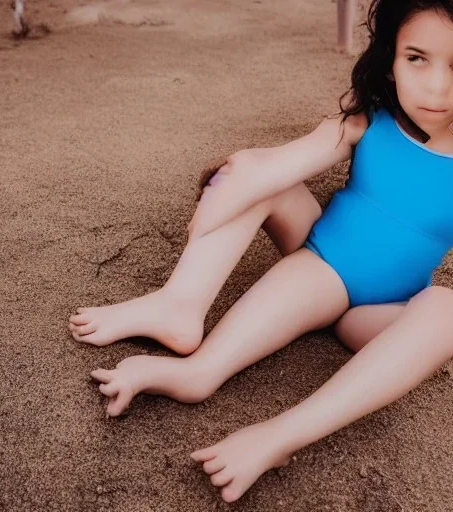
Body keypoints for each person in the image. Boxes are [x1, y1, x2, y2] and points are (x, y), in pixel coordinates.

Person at [68, 0, 453, 503]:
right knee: (256, 172)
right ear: (391, 57)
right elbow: (270, 169)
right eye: (417, 59)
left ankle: (278, 436)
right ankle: (181, 308)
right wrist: (218, 202)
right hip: (321, 262)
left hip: (383, 313)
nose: (437, 87)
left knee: (447, 309)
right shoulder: (370, 118)